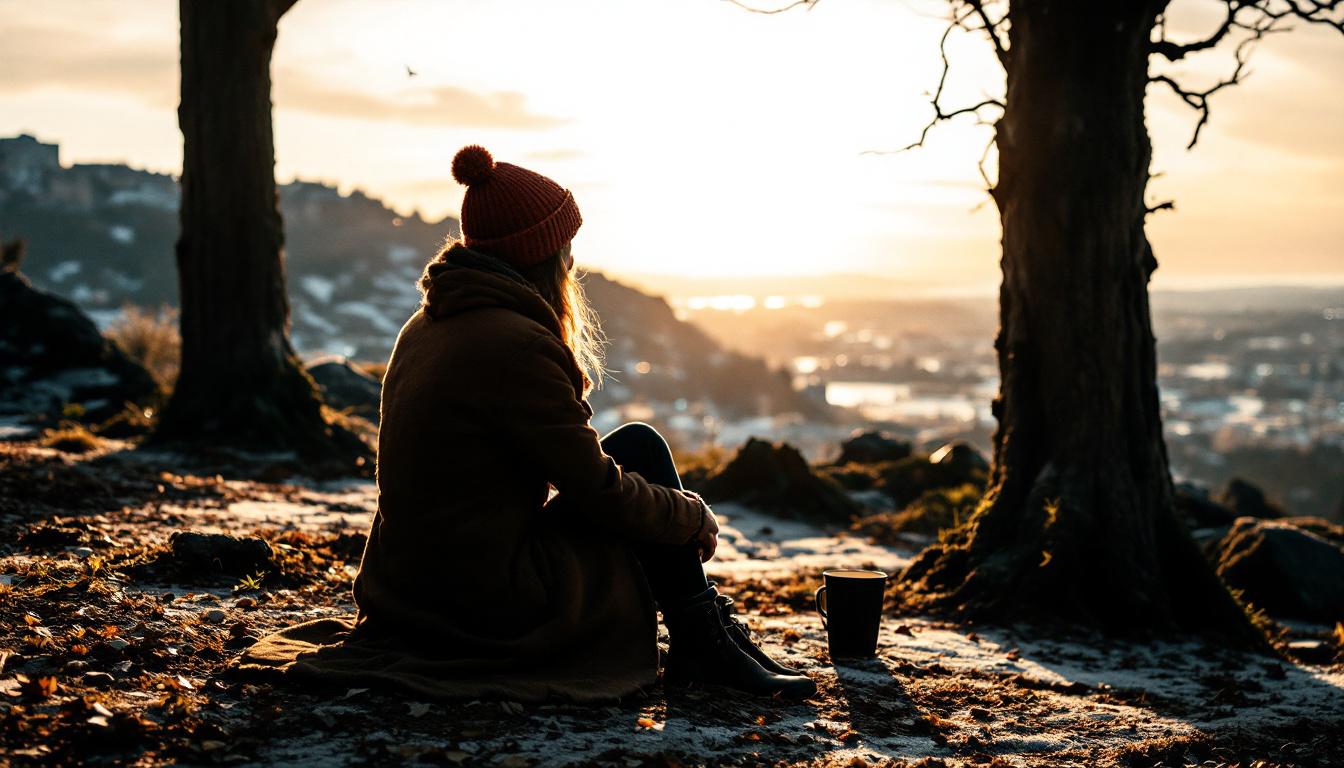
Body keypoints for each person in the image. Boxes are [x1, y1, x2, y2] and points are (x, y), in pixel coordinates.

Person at [239, 145, 815, 702]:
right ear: (539, 255)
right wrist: (690, 515)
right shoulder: (515, 345)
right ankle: (703, 639)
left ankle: (705, 633)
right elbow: (600, 494)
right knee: (638, 449)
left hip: (406, 586)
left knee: (636, 446)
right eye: (566, 248)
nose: (572, 262)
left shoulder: (430, 322)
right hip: (483, 600)